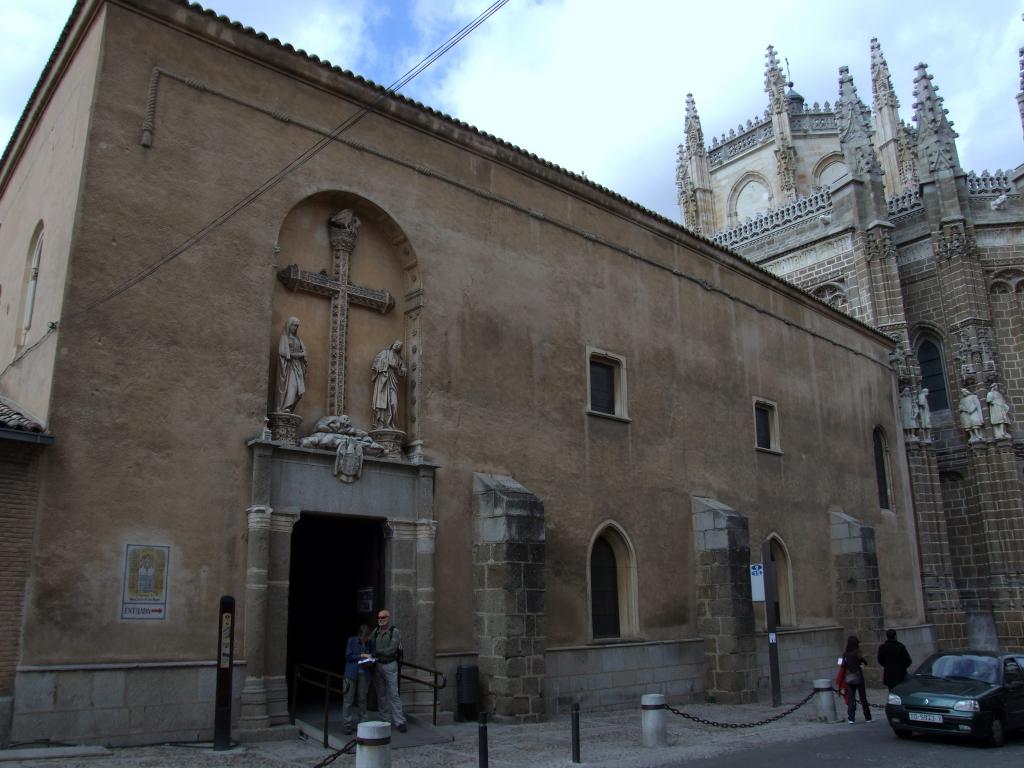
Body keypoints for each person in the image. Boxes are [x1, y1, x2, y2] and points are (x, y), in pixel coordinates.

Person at [370, 608, 406, 732]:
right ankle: (385, 720)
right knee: (381, 694)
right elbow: (369, 643)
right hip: (378, 665)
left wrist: (377, 652)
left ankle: (400, 721)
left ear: (388, 618)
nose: (380, 620)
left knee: (394, 693)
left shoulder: (394, 632)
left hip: (390, 665)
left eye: (383, 618)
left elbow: (392, 649)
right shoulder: (375, 631)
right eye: (379, 618)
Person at [342, 624, 373, 734]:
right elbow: (349, 656)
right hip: (351, 673)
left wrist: (370, 660)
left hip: (364, 673)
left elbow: (371, 654)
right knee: (348, 699)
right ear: (359, 635)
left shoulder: (369, 642)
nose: (365, 639)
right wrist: (362, 655)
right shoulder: (352, 641)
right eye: (364, 637)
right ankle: (347, 723)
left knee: (362, 698)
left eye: (367, 637)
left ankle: (363, 721)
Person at [371, 341, 407, 430]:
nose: (397, 346)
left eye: (400, 346)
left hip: (393, 380)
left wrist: (402, 369)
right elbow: (375, 364)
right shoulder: (384, 353)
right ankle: (381, 423)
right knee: (382, 401)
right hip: (383, 380)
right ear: (393, 344)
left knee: (394, 403)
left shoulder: (399, 358)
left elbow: (403, 370)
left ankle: (392, 424)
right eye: (397, 344)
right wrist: (386, 363)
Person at [276, 316, 307, 413]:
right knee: (292, 386)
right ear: (289, 325)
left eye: (297, 326)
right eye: (294, 325)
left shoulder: (298, 339)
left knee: (298, 388)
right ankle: (285, 406)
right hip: (289, 367)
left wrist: (301, 354)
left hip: (297, 366)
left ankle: (290, 407)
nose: (296, 328)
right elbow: (282, 351)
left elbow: (304, 352)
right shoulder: (284, 337)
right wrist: (294, 355)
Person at [841, 635, 871, 723]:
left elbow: (841, 664)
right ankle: (868, 717)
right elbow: (863, 660)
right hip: (858, 676)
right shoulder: (857, 651)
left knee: (851, 698)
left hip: (849, 677)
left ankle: (851, 718)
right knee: (863, 698)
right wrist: (863, 663)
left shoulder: (845, 653)